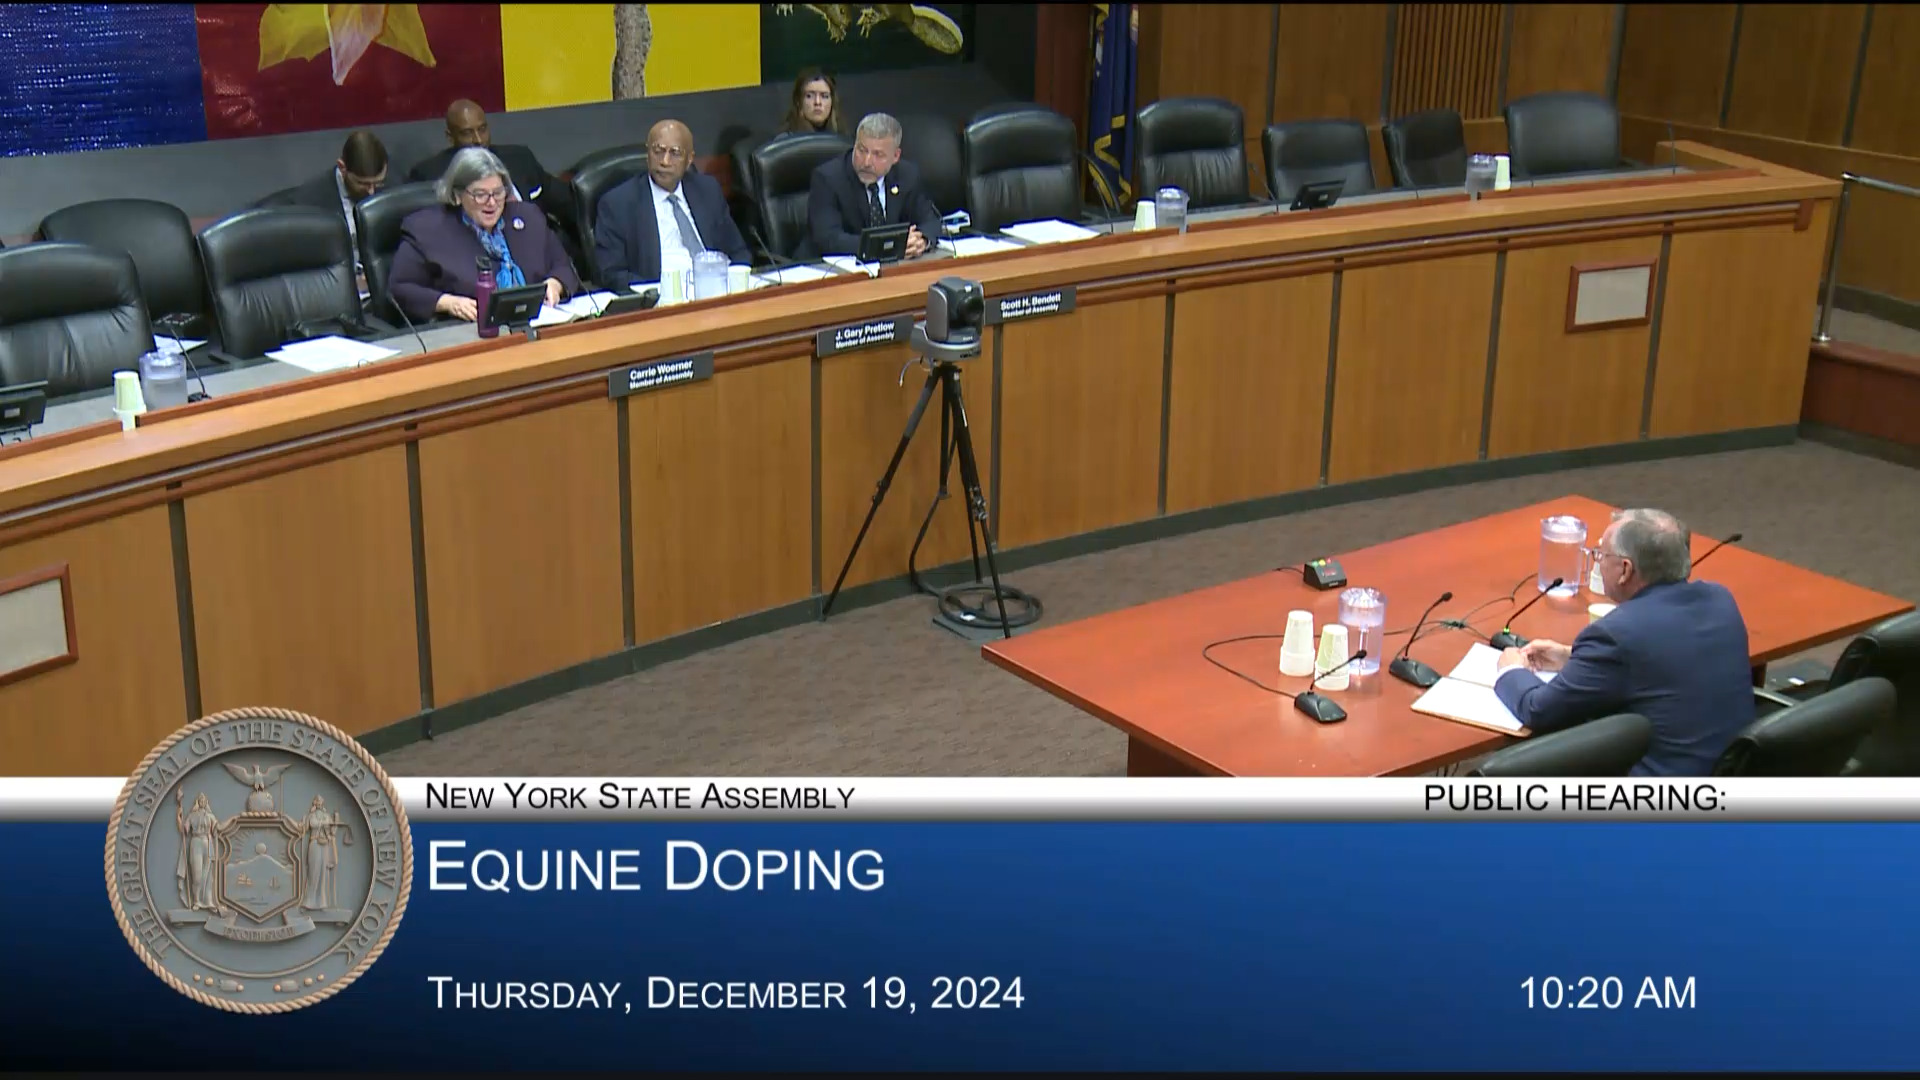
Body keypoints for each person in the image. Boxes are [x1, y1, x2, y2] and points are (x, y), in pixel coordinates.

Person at [1493, 508, 1755, 776]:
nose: (1597, 562)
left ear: (1625, 570)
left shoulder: (1617, 633)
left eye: (1601, 555)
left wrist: (1511, 669)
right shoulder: (1720, 598)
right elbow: (1666, 656)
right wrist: (1571, 658)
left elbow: (1538, 710)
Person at [387, 147, 580, 326]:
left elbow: (562, 264)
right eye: (480, 195)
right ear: (457, 195)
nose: (492, 203)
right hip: (471, 332)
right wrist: (448, 303)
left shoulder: (528, 217)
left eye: (498, 193)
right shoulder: (428, 230)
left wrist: (555, 284)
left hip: (539, 324)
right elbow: (401, 287)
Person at [591, 119, 750, 289]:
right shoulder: (618, 203)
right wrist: (659, 291)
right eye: (658, 151)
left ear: (689, 159)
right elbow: (612, 274)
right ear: (648, 154)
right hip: (662, 295)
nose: (665, 161)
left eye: (675, 153)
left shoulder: (707, 190)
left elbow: (738, 251)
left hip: (715, 288)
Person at [407, 99, 573, 229]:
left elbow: (567, 202)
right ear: (450, 137)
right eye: (467, 133)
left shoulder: (520, 159)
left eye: (482, 129)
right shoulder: (431, 174)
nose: (478, 140)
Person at [807, 112, 942, 258]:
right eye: (862, 150)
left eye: (878, 155)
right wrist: (889, 245)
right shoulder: (828, 178)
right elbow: (828, 239)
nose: (867, 162)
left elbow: (931, 220)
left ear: (895, 156)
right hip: (834, 267)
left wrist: (921, 241)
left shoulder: (907, 175)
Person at [275, 129, 388, 288]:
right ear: (342, 167)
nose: (371, 191)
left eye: (377, 183)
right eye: (363, 183)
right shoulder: (310, 202)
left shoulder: (394, 184)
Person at [779, 68, 846, 137]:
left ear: (832, 102)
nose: (817, 102)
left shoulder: (843, 139)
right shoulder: (786, 140)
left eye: (824, 96)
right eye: (809, 96)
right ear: (798, 101)